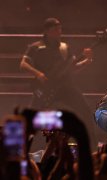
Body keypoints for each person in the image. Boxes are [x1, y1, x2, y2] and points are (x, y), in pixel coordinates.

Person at [19, 17, 97, 148]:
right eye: (55, 29)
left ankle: (92, 147)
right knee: (32, 117)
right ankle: (22, 148)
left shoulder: (64, 47)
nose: (59, 32)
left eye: (60, 28)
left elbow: (72, 69)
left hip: (64, 87)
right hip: (45, 88)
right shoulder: (36, 47)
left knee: (85, 112)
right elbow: (23, 64)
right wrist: (38, 74)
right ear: (47, 31)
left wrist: (87, 61)